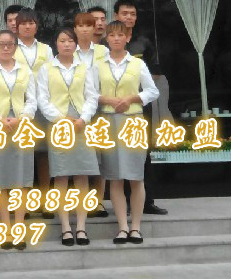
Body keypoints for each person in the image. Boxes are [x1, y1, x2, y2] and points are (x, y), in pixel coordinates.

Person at [97, 20, 159, 245]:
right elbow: (90, 92)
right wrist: (108, 100)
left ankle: (136, 227)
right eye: (112, 35)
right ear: (106, 38)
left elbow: (152, 91)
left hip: (133, 121)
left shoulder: (137, 64)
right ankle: (122, 227)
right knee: (114, 177)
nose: (116, 38)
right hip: (109, 120)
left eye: (120, 35)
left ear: (127, 38)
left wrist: (132, 98)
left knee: (135, 176)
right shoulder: (99, 65)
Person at [36, 28, 100, 246]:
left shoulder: (85, 68)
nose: (66, 44)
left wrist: (83, 118)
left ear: (75, 44)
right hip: (58, 125)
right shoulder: (46, 68)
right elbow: (42, 98)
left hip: (81, 125)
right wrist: (60, 119)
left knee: (82, 175)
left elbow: (91, 96)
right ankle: (65, 227)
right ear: (56, 43)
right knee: (61, 175)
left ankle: (81, 227)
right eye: (62, 40)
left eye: (70, 41)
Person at [0, 30, 36, 250]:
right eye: (1, 44)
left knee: (22, 179)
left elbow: (32, 100)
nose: (5, 48)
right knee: (0, 178)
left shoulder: (25, 70)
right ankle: (6, 229)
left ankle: (19, 228)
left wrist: (23, 118)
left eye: (9, 44)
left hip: (22, 127)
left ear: (15, 47)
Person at [113, 0, 168, 216]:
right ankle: (123, 202)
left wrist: (135, 90)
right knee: (118, 154)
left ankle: (146, 201)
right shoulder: (108, 43)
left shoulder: (143, 42)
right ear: (116, 16)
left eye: (132, 14)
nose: (129, 17)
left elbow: (155, 73)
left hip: (139, 107)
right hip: (113, 108)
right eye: (124, 13)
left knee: (142, 154)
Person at [13, 8, 52, 212]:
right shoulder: (11, 47)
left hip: (43, 106)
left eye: (31, 23)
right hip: (20, 106)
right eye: (23, 23)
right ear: (16, 27)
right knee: (20, 154)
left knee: (43, 154)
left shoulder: (46, 49)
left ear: (37, 26)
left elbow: (53, 76)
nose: (27, 27)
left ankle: (44, 200)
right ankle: (23, 202)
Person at [72, 12, 109, 218]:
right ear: (75, 29)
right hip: (78, 110)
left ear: (94, 28)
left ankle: (99, 201)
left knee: (100, 156)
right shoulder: (68, 49)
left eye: (88, 26)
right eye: (80, 26)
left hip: (102, 108)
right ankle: (82, 202)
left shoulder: (104, 51)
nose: (85, 29)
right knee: (81, 157)